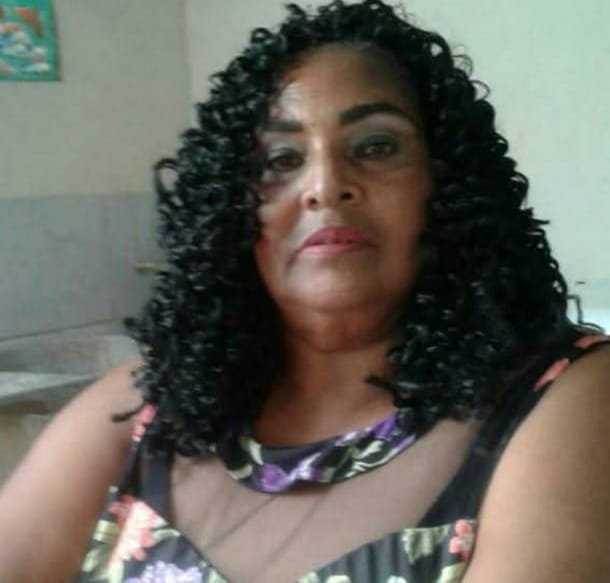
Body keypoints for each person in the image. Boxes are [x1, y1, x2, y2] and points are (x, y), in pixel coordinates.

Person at [1, 1, 609, 582]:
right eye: (281, 159)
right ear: (230, 209)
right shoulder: (145, 407)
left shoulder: (566, 399)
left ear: (446, 184)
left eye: (376, 146)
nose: (324, 184)